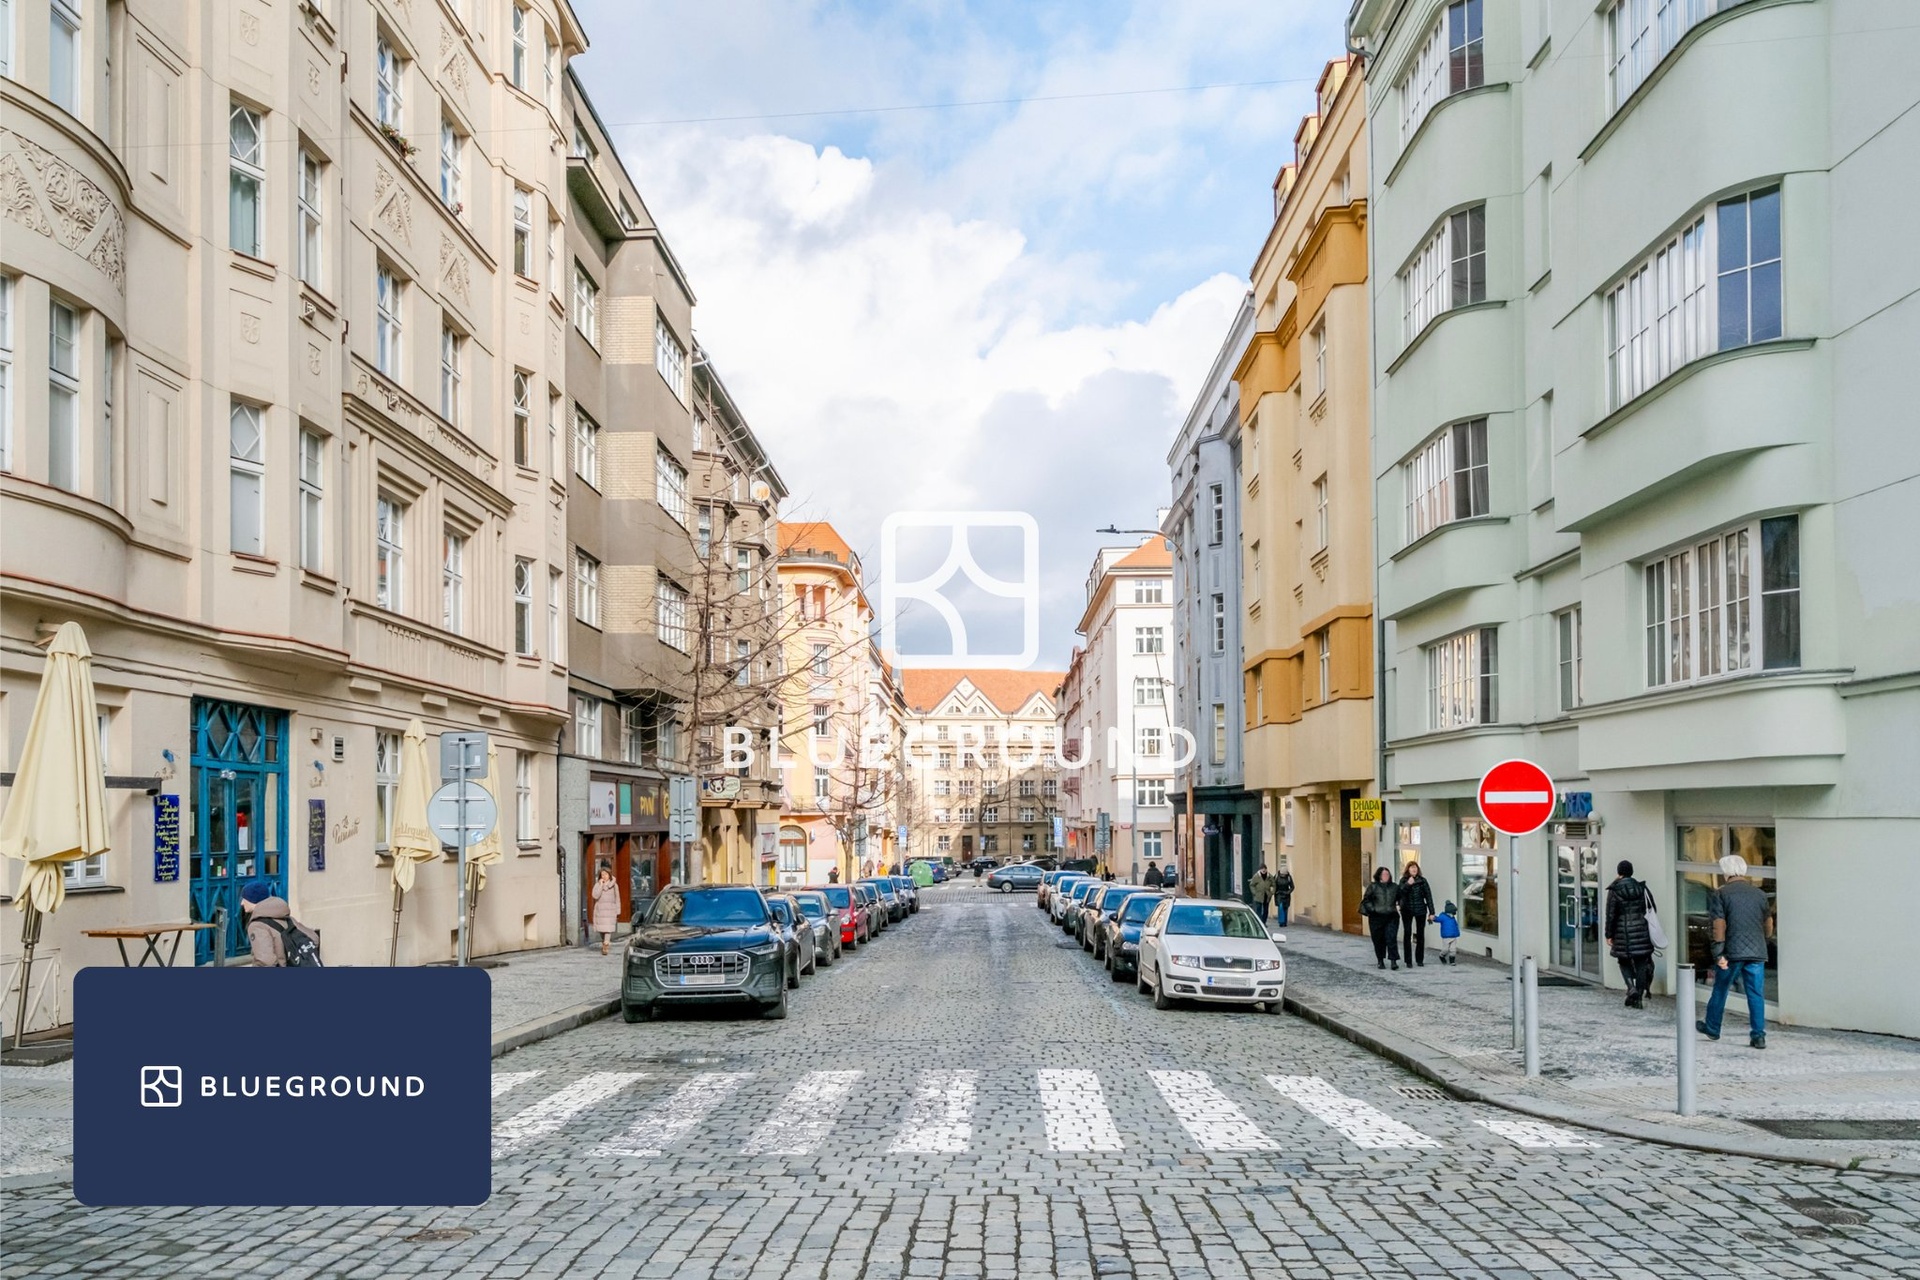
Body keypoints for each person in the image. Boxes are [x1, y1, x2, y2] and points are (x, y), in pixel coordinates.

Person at [1699, 854, 1775, 1048]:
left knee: (1721, 989)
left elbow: (1718, 926)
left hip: (1731, 953)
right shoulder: (1759, 894)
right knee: (1755, 994)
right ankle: (1758, 1036)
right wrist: (1763, 942)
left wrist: (1718, 954)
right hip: (1756, 952)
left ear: (1726, 872)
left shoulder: (1721, 894)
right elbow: (1768, 924)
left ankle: (1712, 1028)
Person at [1603, 858, 1658, 1008]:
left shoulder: (1614, 890)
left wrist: (1609, 935)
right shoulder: (1642, 888)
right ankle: (1638, 998)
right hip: (1642, 932)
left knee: (1623, 961)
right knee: (1641, 964)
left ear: (1619, 872)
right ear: (1631, 872)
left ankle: (1631, 988)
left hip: (1622, 933)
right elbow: (1652, 908)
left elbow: (1610, 915)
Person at [241, 880, 320, 967]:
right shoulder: (288, 919)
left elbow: (266, 961)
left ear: (253, 900)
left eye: (244, 899)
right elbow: (314, 938)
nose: (242, 903)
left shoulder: (257, 926)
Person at [1362, 866, 1402, 970]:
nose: (1386, 876)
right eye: (1384, 874)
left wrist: (1400, 905)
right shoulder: (1373, 886)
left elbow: (1401, 897)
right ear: (1379, 876)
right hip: (1376, 917)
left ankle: (1393, 961)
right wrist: (1373, 909)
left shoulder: (1394, 887)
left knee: (1391, 938)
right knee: (1378, 940)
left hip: (1391, 916)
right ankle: (1380, 960)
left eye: (1387, 874)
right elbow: (1366, 900)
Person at [1397, 861, 1436, 967]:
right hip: (1407, 910)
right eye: (1412, 868)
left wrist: (1432, 912)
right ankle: (1408, 960)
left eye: (1415, 868)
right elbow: (1400, 893)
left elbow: (1428, 896)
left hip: (1420, 910)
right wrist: (1408, 884)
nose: (1414, 869)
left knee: (1420, 935)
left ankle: (1419, 959)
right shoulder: (1403, 880)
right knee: (1407, 934)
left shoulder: (1422, 881)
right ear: (1408, 870)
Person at [591, 862, 621, 955]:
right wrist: (600, 885)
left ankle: (606, 944)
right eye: (602, 874)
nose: (604, 876)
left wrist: (618, 911)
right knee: (601, 930)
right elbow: (595, 896)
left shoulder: (614, 885)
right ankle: (604, 942)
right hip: (600, 910)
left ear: (609, 875)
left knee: (608, 929)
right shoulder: (597, 885)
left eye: (606, 874)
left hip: (610, 910)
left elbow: (617, 898)